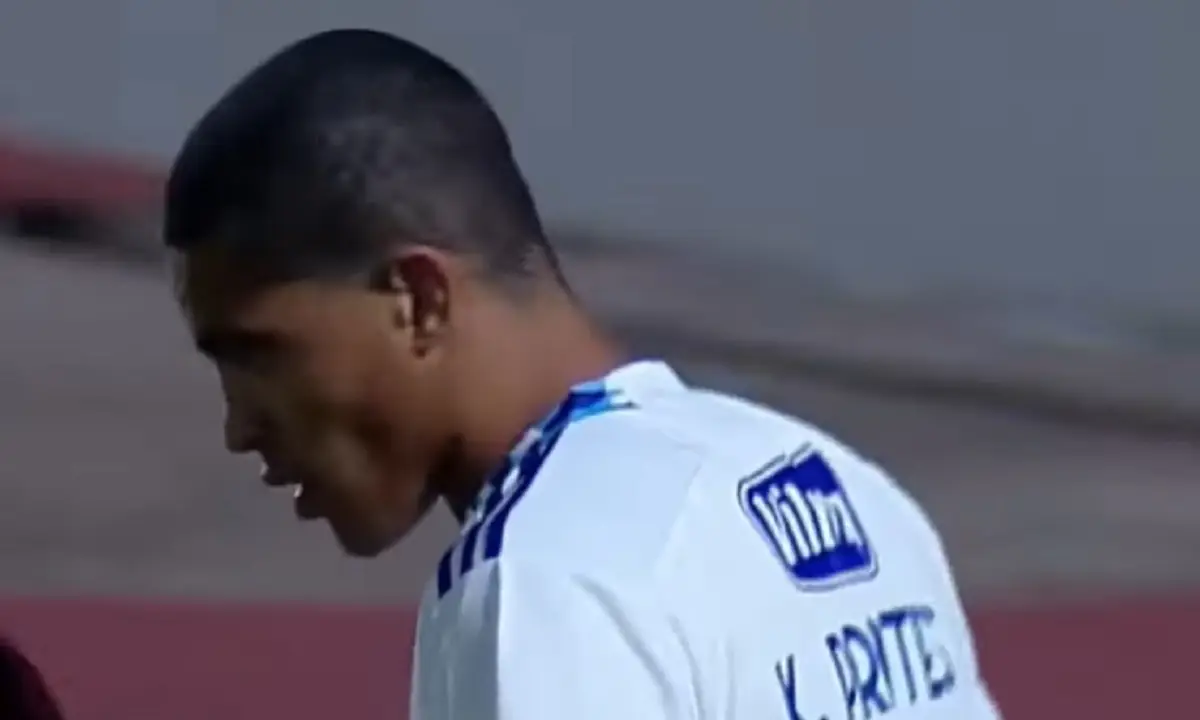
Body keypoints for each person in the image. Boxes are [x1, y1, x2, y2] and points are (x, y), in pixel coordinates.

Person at [165, 28, 1002, 720]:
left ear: (418, 301)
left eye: (259, 355)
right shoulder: (844, 489)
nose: (240, 426)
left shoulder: (542, 577)